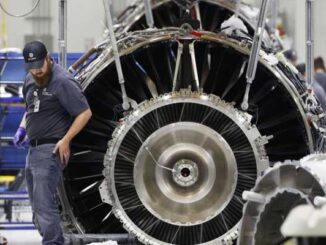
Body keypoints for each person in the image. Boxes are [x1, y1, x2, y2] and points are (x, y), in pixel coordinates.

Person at [13, 40, 92, 244]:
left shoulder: (62, 81)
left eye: (40, 67)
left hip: (50, 149)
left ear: (48, 57)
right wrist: (22, 128)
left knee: (44, 203)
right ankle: (52, 239)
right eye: (32, 68)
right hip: (33, 148)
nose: (37, 72)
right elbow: (31, 108)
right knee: (36, 204)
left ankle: (53, 242)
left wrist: (66, 140)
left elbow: (84, 112)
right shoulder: (30, 80)